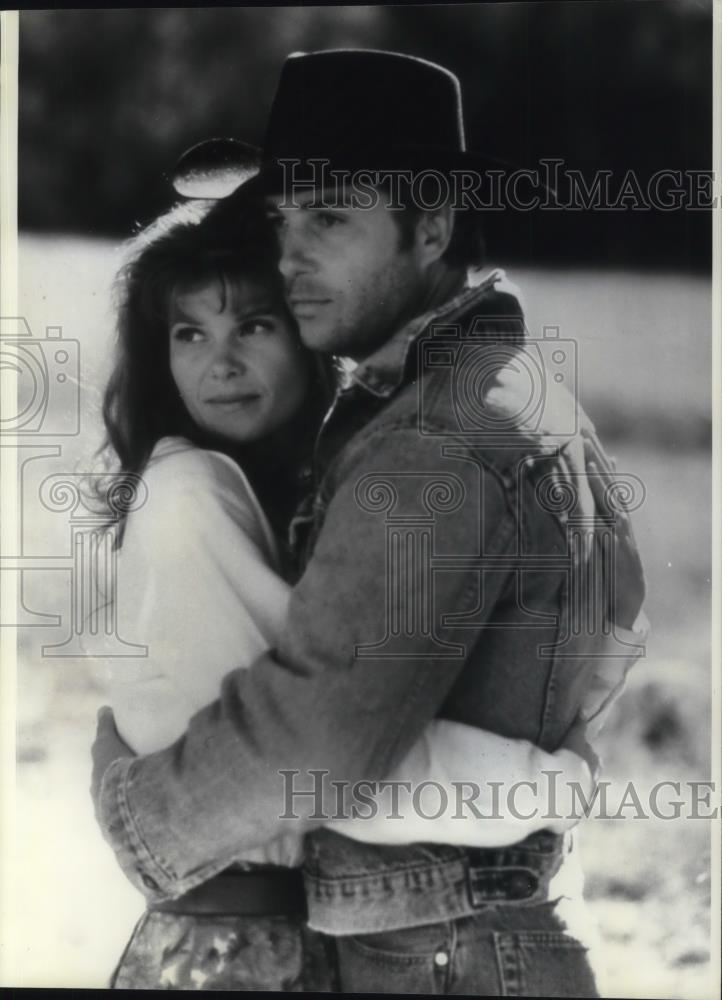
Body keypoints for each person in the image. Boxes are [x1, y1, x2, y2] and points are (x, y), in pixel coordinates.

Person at [92, 50, 648, 995]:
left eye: (331, 218)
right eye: (282, 219)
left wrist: (136, 810)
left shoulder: (436, 437)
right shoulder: (516, 395)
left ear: (430, 228)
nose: (289, 257)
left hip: (441, 951)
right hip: (477, 930)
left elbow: (318, 739)